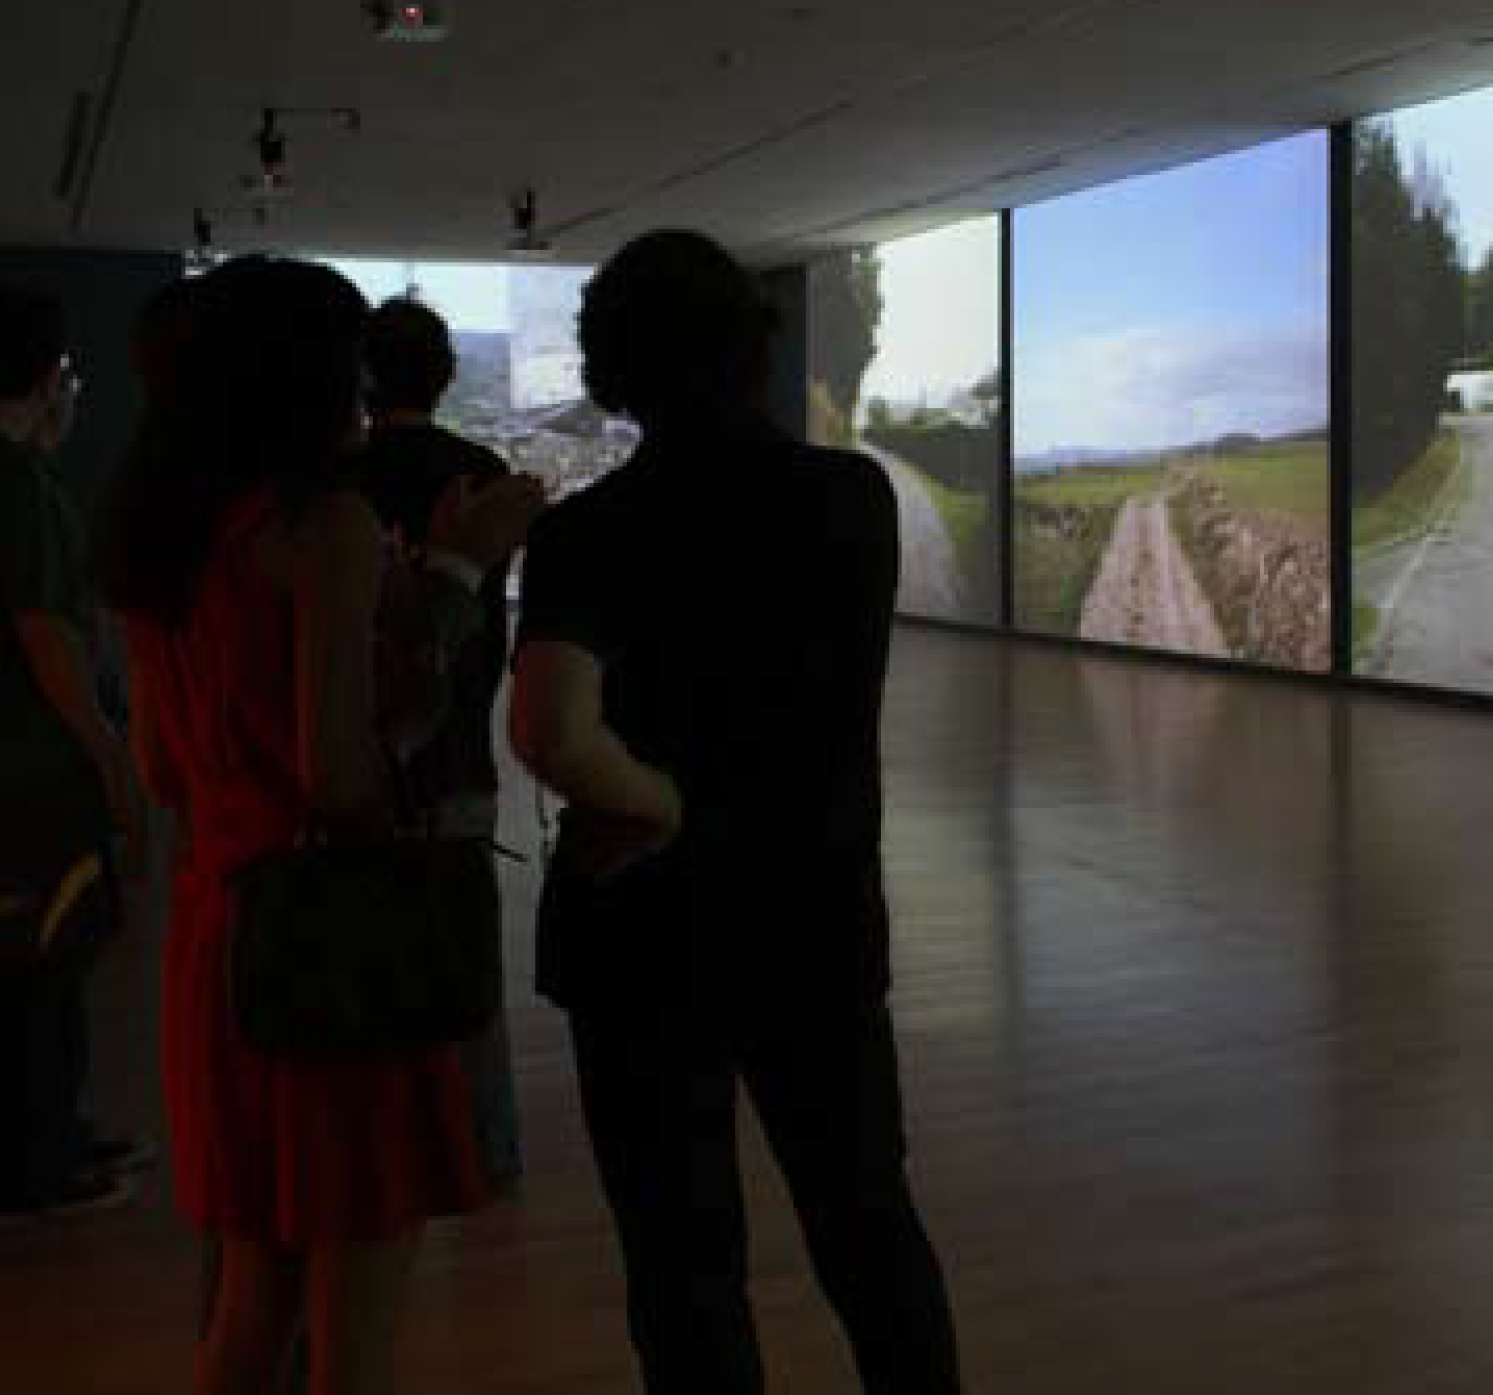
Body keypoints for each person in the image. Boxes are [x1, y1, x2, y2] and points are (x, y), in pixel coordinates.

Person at [510, 230, 961, 1394]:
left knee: (684, 1268)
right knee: (869, 1231)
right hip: (815, 922)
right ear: (755, 351)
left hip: (641, 941)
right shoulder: (853, 499)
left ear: (610, 369)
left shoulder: (584, 534)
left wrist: (656, 797)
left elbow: (550, 731)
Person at [98, 257, 541, 1395]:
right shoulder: (328, 526)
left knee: (254, 1298)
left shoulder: (165, 544)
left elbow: (162, 767)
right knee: (356, 1329)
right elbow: (340, 775)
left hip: (220, 936)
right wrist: (457, 575)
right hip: (332, 948)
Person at [348, 295, 523, 1193]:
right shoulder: (483, 472)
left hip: (356, 764)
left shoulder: (335, 480)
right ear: (445, 376)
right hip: (460, 754)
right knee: (468, 976)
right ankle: (488, 1156)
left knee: (358, 974)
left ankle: (377, 1155)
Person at [0, 281, 147, 1217]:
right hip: (35, 776)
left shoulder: (25, 475)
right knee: (45, 964)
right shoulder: (20, 486)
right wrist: (110, 754)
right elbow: (45, 632)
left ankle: (48, 1135)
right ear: (51, 376)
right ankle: (40, 1157)